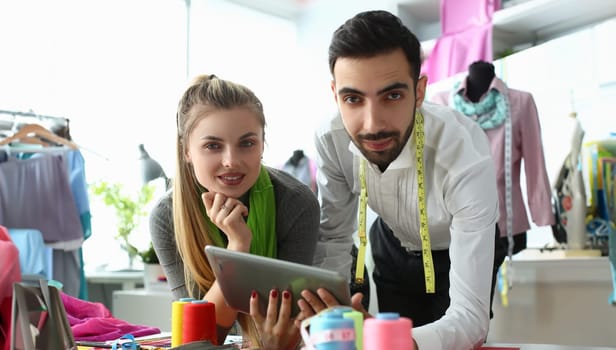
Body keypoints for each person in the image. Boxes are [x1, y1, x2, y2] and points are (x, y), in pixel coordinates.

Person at [299, 10, 499, 350]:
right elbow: (334, 238)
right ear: (335, 95)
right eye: (353, 98)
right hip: (391, 245)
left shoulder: (464, 153)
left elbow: (470, 316)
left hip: (455, 248)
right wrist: (330, 309)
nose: (372, 124)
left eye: (392, 96)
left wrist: (396, 341)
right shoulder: (330, 138)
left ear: (419, 92)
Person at [149, 74, 320, 349]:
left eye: (247, 143)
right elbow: (198, 340)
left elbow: (287, 333)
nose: (231, 161)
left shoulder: (296, 203)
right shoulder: (167, 217)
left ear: (262, 145)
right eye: (213, 146)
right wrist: (237, 248)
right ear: (186, 151)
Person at [431, 60, 555, 319]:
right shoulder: (442, 102)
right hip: (453, 223)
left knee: (474, 308)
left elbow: (535, 159)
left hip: (504, 224)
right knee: (454, 305)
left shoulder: (520, 103)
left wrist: (543, 212)